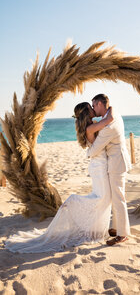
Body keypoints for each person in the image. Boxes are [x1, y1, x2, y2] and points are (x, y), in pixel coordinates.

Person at [5, 102, 114, 253]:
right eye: (91, 107)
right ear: (86, 113)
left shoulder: (91, 125)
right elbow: (109, 120)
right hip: (99, 168)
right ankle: (72, 202)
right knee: (102, 198)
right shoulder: (90, 127)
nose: (93, 108)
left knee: (103, 198)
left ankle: (95, 229)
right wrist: (109, 107)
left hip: (98, 166)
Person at [87, 94, 131, 246]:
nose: (93, 109)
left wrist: (88, 152)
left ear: (100, 104)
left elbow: (94, 150)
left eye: (94, 106)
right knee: (117, 196)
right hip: (119, 160)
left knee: (119, 198)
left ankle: (123, 234)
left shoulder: (109, 127)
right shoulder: (114, 114)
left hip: (117, 163)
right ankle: (116, 228)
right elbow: (105, 118)